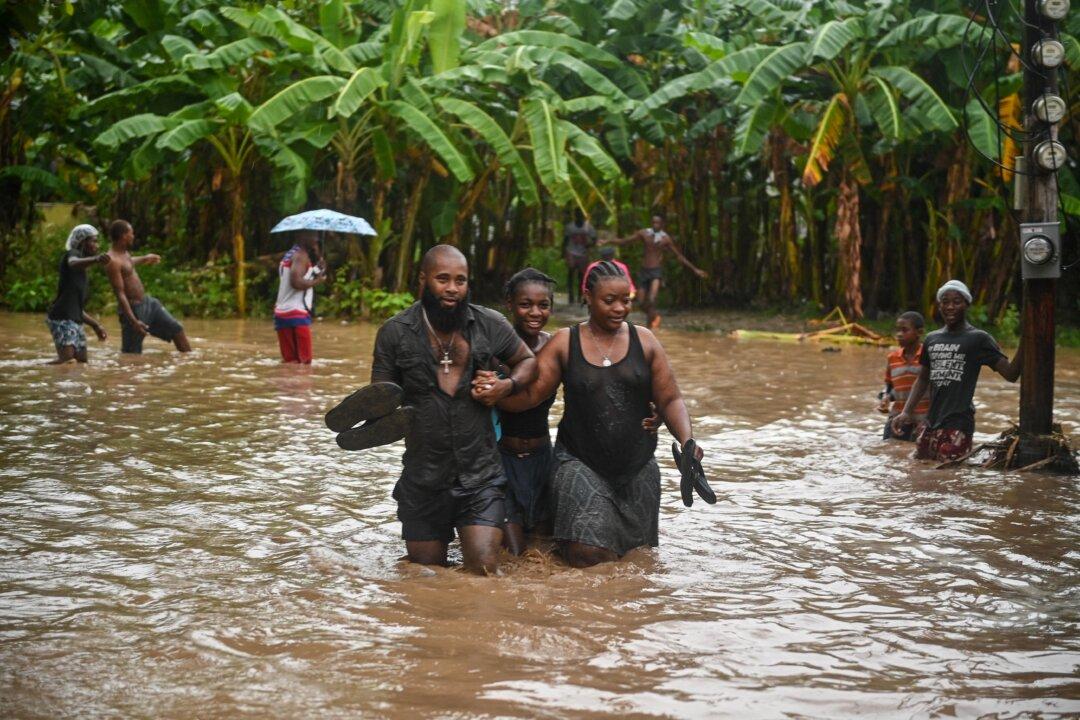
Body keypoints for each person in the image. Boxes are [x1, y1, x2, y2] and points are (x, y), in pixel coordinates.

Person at [473, 260, 705, 568]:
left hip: (637, 464)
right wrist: (495, 393)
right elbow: (530, 396)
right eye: (609, 300)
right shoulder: (565, 342)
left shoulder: (646, 340)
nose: (619, 308)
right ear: (588, 297)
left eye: (625, 300)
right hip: (579, 461)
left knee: (638, 557)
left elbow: (670, 399)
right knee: (587, 555)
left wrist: (688, 441)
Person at [370, 244, 538, 574]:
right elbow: (380, 396)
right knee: (426, 575)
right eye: (442, 279)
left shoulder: (489, 323)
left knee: (484, 568)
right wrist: (375, 418)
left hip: (480, 476)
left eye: (460, 281)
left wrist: (505, 386)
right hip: (423, 478)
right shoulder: (394, 333)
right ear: (423, 280)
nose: (452, 288)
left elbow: (527, 361)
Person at [891, 280, 1022, 462]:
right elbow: (923, 379)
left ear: (966, 304)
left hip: (958, 425)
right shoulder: (932, 339)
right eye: (945, 302)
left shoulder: (978, 339)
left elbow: (1011, 374)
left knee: (950, 475)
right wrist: (906, 412)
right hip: (930, 424)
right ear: (939, 306)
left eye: (957, 302)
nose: (950, 307)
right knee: (918, 474)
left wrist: (1026, 340)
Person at [496, 268, 558, 555]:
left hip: (543, 460)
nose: (535, 313)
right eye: (525, 304)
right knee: (514, 553)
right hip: (501, 460)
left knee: (544, 552)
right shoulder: (493, 346)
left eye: (543, 305)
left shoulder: (555, 347)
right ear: (509, 304)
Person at [600, 214, 706, 329]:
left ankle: (650, 327)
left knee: (651, 299)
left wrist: (695, 269)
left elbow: (678, 256)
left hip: (656, 271)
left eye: (658, 223)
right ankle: (654, 317)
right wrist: (608, 241)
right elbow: (625, 241)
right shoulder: (644, 234)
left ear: (662, 224)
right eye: (654, 222)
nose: (655, 225)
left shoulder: (665, 239)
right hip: (644, 270)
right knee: (640, 302)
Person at [104, 219, 191, 354]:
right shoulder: (112, 261)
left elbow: (128, 263)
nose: (133, 236)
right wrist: (134, 321)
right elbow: (120, 294)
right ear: (124, 236)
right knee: (131, 355)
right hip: (133, 310)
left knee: (177, 330)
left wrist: (144, 258)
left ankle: (189, 361)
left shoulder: (124, 253)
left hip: (147, 303)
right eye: (131, 233)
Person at [45, 224, 110, 364]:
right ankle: (35, 369)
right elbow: (73, 262)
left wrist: (96, 325)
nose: (97, 245)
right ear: (82, 242)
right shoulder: (73, 254)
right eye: (93, 241)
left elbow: (76, 309)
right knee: (67, 361)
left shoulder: (82, 274)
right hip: (61, 318)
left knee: (81, 361)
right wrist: (96, 259)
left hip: (74, 320)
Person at [274, 230, 327, 364]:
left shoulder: (290, 254)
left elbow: (301, 275)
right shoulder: (301, 256)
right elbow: (296, 282)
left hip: (282, 313)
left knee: (290, 363)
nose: (316, 239)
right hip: (296, 314)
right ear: (301, 236)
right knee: (305, 363)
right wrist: (318, 281)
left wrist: (317, 268)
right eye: (313, 235)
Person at [878, 311, 930, 441]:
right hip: (897, 420)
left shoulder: (928, 356)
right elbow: (889, 386)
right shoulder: (892, 358)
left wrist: (929, 420)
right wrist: (885, 397)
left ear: (919, 332)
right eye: (898, 330)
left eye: (904, 330)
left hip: (922, 421)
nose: (899, 334)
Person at [562, 208, 596, 305]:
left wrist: (589, 245)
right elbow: (565, 240)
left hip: (583, 253)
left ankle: (580, 296)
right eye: (577, 215)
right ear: (575, 216)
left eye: (580, 215)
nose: (579, 217)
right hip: (571, 252)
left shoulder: (588, 227)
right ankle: (571, 296)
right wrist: (563, 253)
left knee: (581, 275)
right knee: (571, 272)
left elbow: (594, 239)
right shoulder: (570, 227)